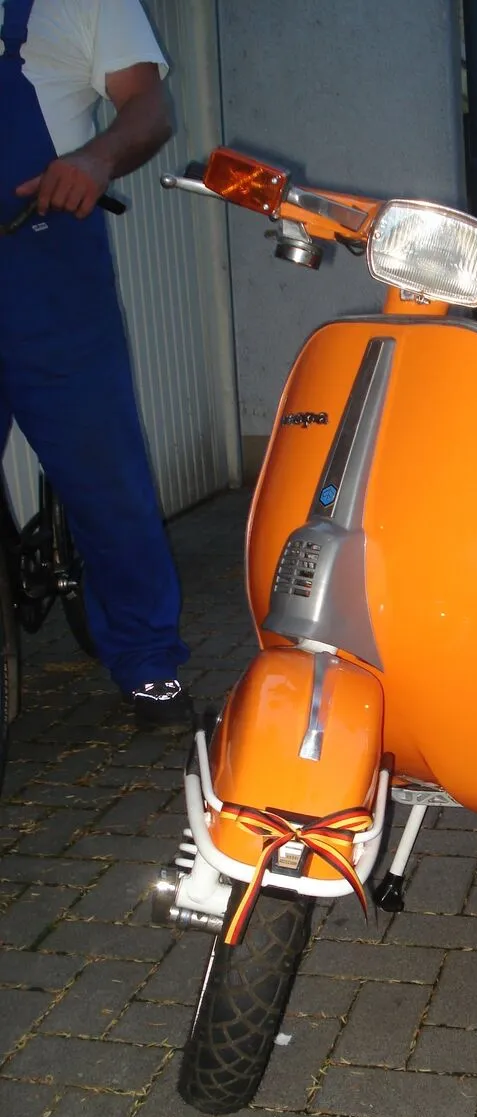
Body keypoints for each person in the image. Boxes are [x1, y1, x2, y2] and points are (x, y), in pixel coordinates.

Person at [0, 0, 191, 728]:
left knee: (104, 479)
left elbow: (149, 105)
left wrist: (96, 159)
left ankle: (147, 660)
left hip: (44, 260)